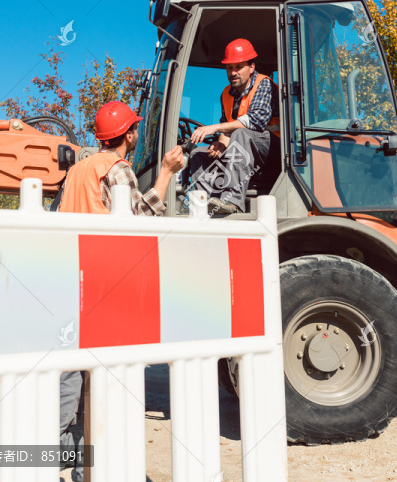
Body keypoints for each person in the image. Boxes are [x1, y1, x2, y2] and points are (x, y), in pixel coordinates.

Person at [57, 100, 184, 481]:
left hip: (71, 278)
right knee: (100, 384)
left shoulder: (78, 170)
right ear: (128, 135)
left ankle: (62, 461)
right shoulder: (118, 169)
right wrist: (165, 174)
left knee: (71, 379)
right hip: (103, 283)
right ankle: (84, 468)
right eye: (134, 130)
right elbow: (135, 222)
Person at [188, 38, 281, 215]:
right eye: (229, 68)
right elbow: (227, 127)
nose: (233, 72)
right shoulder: (226, 93)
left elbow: (255, 121)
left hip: (274, 151)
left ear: (251, 67)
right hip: (245, 148)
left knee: (242, 134)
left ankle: (232, 201)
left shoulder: (264, 84)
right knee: (197, 154)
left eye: (239, 67)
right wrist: (221, 143)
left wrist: (213, 128)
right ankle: (206, 204)